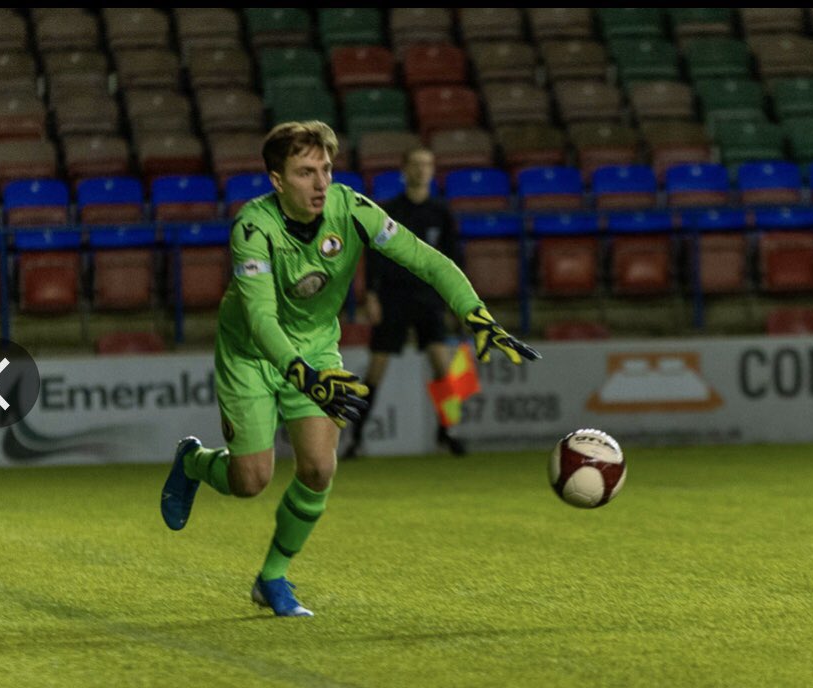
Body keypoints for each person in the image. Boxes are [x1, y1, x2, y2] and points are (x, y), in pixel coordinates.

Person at [159, 121, 540, 617]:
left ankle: (272, 577)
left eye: (325, 169)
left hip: (315, 350)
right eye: (305, 172)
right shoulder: (253, 228)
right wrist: (298, 373)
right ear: (277, 181)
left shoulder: (353, 209)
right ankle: (192, 461)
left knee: (318, 469)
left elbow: (428, 261)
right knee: (250, 480)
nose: (320, 183)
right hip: (252, 354)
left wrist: (476, 315)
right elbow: (259, 319)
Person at [344, 147, 466, 460]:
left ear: (432, 170)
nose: (422, 169)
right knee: (375, 371)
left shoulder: (441, 212)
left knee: (443, 367)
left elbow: (453, 260)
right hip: (393, 297)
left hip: (428, 298)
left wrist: (457, 301)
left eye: (427, 164)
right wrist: (371, 294)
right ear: (405, 169)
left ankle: (448, 431)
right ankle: (356, 439)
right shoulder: (391, 211)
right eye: (416, 164)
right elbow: (373, 254)